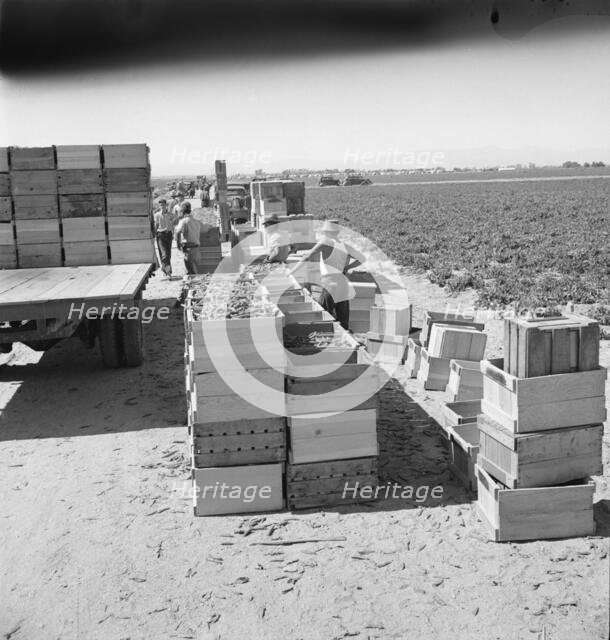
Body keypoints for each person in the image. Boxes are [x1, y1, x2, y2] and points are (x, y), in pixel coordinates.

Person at [287, 220, 365, 330]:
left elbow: (307, 256)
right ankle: (346, 338)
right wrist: (347, 267)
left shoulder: (325, 241)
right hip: (342, 281)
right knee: (342, 316)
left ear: (326, 231)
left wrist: (292, 271)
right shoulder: (344, 245)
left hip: (330, 281)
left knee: (324, 313)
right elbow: (362, 258)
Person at [174, 202, 201, 275]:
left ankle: (194, 283)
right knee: (195, 268)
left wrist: (178, 244)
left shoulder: (183, 221)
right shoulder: (197, 220)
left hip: (189, 248)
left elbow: (177, 232)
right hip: (197, 247)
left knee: (190, 270)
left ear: (183, 212)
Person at [153, 199, 176, 276]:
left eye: (163, 205)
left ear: (166, 205)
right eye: (161, 205)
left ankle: (165, 269)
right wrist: (154, 236)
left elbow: (174, 224)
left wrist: (174, 234)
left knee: (168, 254)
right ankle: (168, 271)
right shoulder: (157, 215)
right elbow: (156, 226)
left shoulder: (171, 215)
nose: (162, 206)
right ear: (159, 206)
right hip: (160, 235)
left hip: (169, 235)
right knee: (164, 254)